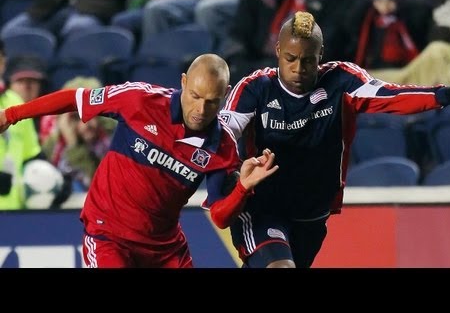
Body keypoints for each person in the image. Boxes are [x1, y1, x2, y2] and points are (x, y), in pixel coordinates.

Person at [205, 11, 450, 268]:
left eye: (308, 60)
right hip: (262, 208)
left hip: (312, 213)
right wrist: (226, 183)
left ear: (320, 55)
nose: (299, 68)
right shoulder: (255, 87)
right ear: (277, 51)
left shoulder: (341, 80)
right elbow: (225, 132)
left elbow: (389, 96)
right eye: (290, 58)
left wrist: (444, 95)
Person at [0, 53, 279, 268]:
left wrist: (242, 188)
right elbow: (76, 99)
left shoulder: (223, 147)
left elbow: (219, 217)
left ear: (225, 94)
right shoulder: (138, 100)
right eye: (194, 96)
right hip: (109, 237)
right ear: (183, 82)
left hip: (164, 248)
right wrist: (12, 115)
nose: (201, 110)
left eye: (212, 101)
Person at [0, 41, 45, 210]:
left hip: (16, 212)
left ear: (3, 62)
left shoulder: (15, 102)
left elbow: (32, 156)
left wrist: (56, 179)